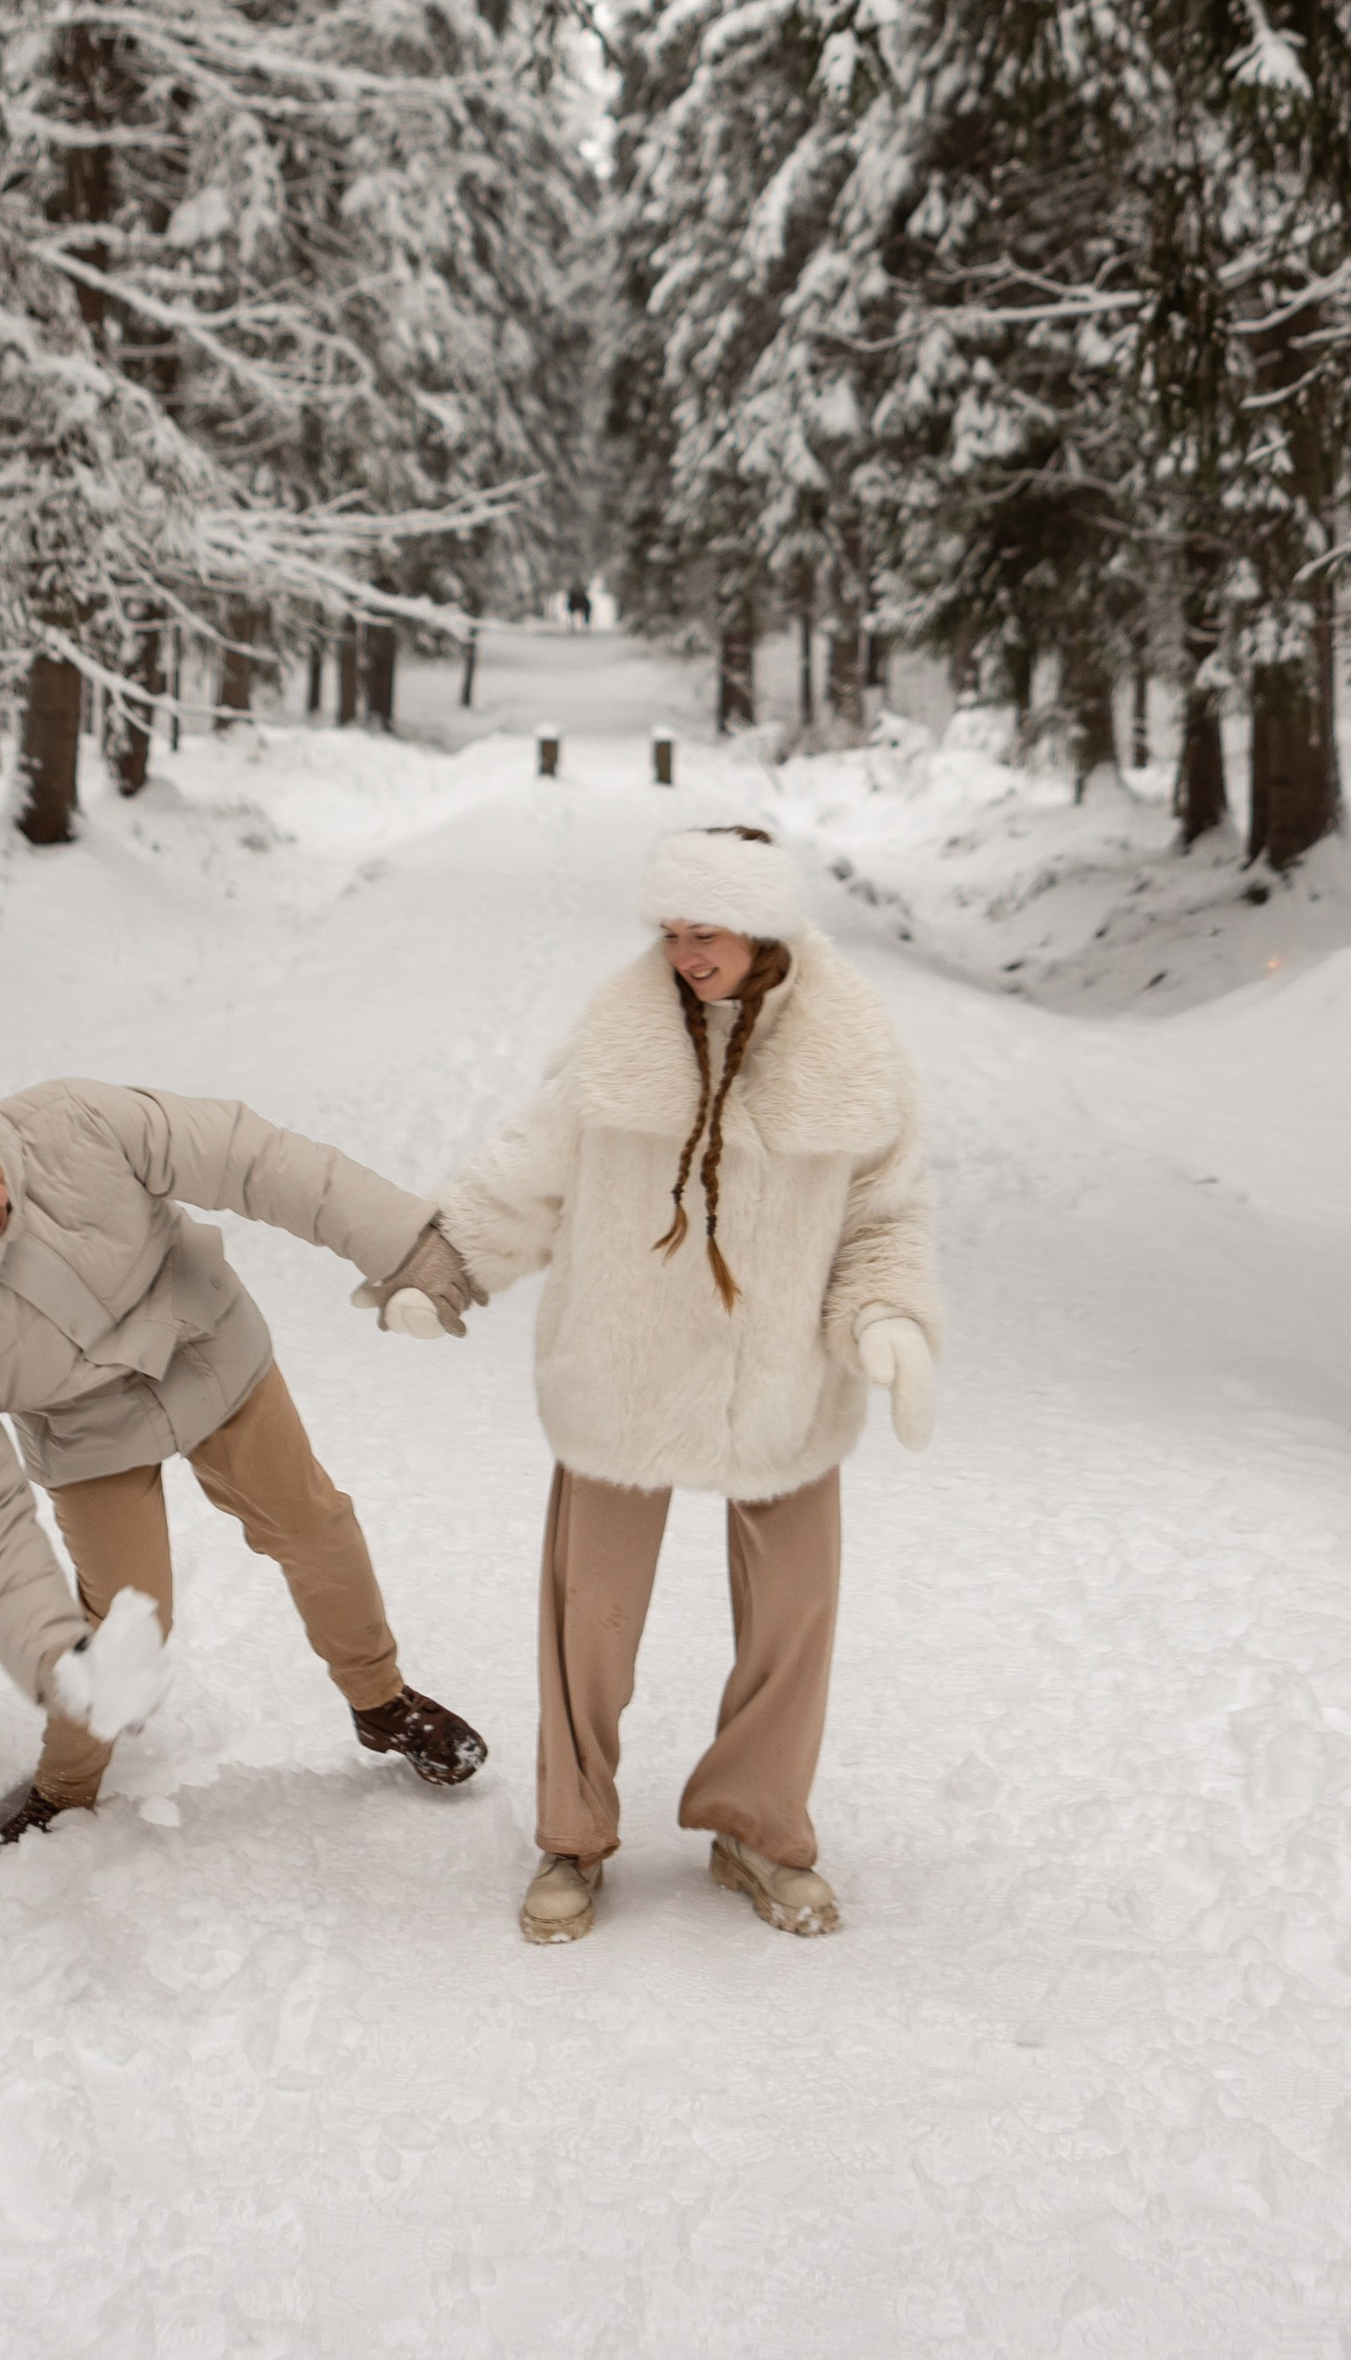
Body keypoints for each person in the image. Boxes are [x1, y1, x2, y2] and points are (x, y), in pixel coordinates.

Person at [355, 824, 938, 1943]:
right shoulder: (620, 1031)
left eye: (704, 931)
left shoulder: (856, 1044)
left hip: (783, 1378)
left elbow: (885, 1214)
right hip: (624, 1366)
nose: (683, 953)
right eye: (670, 932)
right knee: (593, 1612)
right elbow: (529, 1165)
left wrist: (886, 1318)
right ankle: (572, 1837)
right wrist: (448, 1267)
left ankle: (758, 1829)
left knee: (795, 1612)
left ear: (760, 927)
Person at [0, 1073, 486, 1841]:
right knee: (122, 1628)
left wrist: (407, 1242)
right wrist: (50, 1656)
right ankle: (65, 1788)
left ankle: (382, 1703)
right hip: (85, 1431)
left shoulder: (73, 1123)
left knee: (314, 1528)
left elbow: (253, 1159)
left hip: (208, 1350)